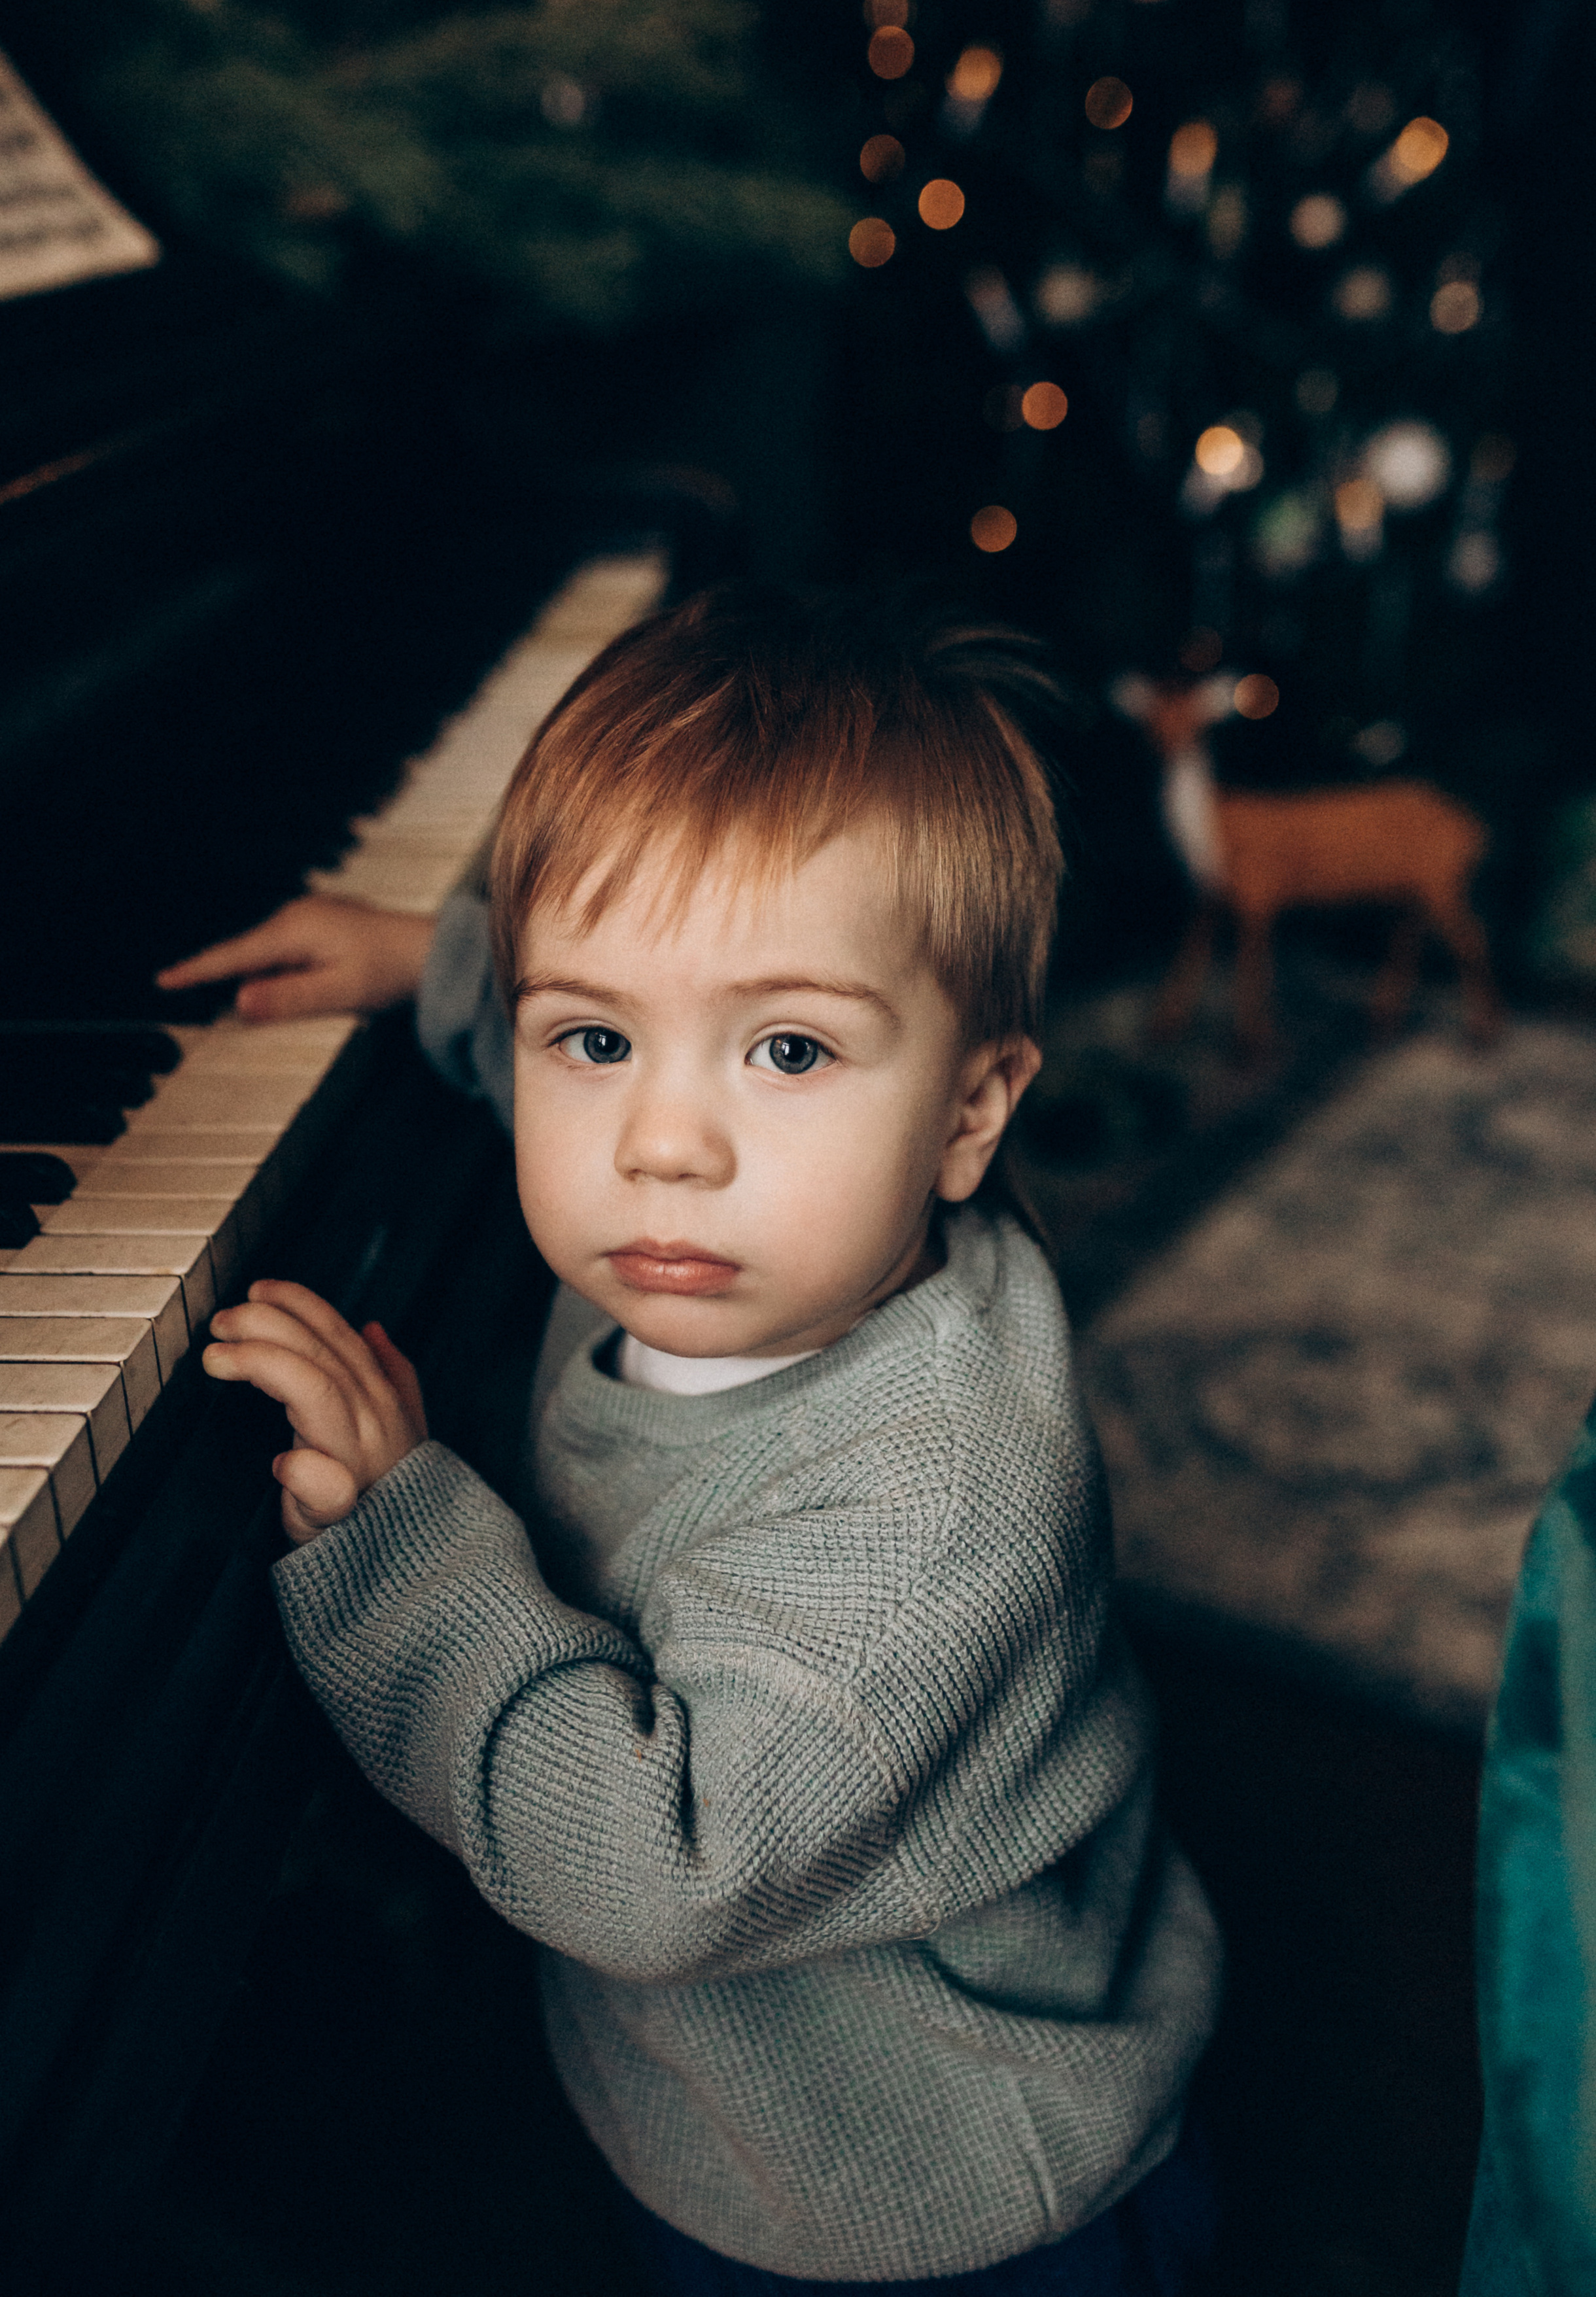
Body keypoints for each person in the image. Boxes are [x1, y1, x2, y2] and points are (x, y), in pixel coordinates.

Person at [158, 588, 1223, 2296]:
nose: (661, 1144)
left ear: (969, 1112)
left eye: (788, 1047)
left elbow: (650, 1868)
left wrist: (413, 1548)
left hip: (917, 2182)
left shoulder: (933, 1505)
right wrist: (427, 964)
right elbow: (585, 1053)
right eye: (593, 1034)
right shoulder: (746, 1225)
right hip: (739, 2096)